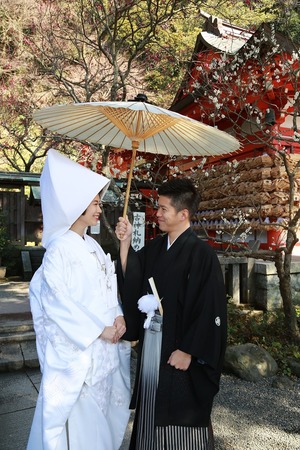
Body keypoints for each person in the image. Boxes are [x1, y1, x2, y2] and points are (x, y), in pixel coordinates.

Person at [27, 149, 131, 450]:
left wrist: (119, 316)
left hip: (104, 347)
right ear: (77, 205)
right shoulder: (59, 249)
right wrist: (99, 329)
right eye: (95, 203)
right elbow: (56, 301)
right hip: (82, 349)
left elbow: (108, 290)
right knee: (79, 425)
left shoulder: (94, 246)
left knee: (103, 415)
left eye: (99, 202)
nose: (100, 209)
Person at [115, 177, 227, 450]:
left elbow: (209, 308)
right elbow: (133, 279)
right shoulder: (155, 248)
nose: (158, 214)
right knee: (151, 407)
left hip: (180, 351)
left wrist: (189, 350)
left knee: (180, 411)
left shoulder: (202, 254)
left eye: (164, 209)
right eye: (159, 207)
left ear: (183, 214)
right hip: (153, 345)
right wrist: (125, 243)